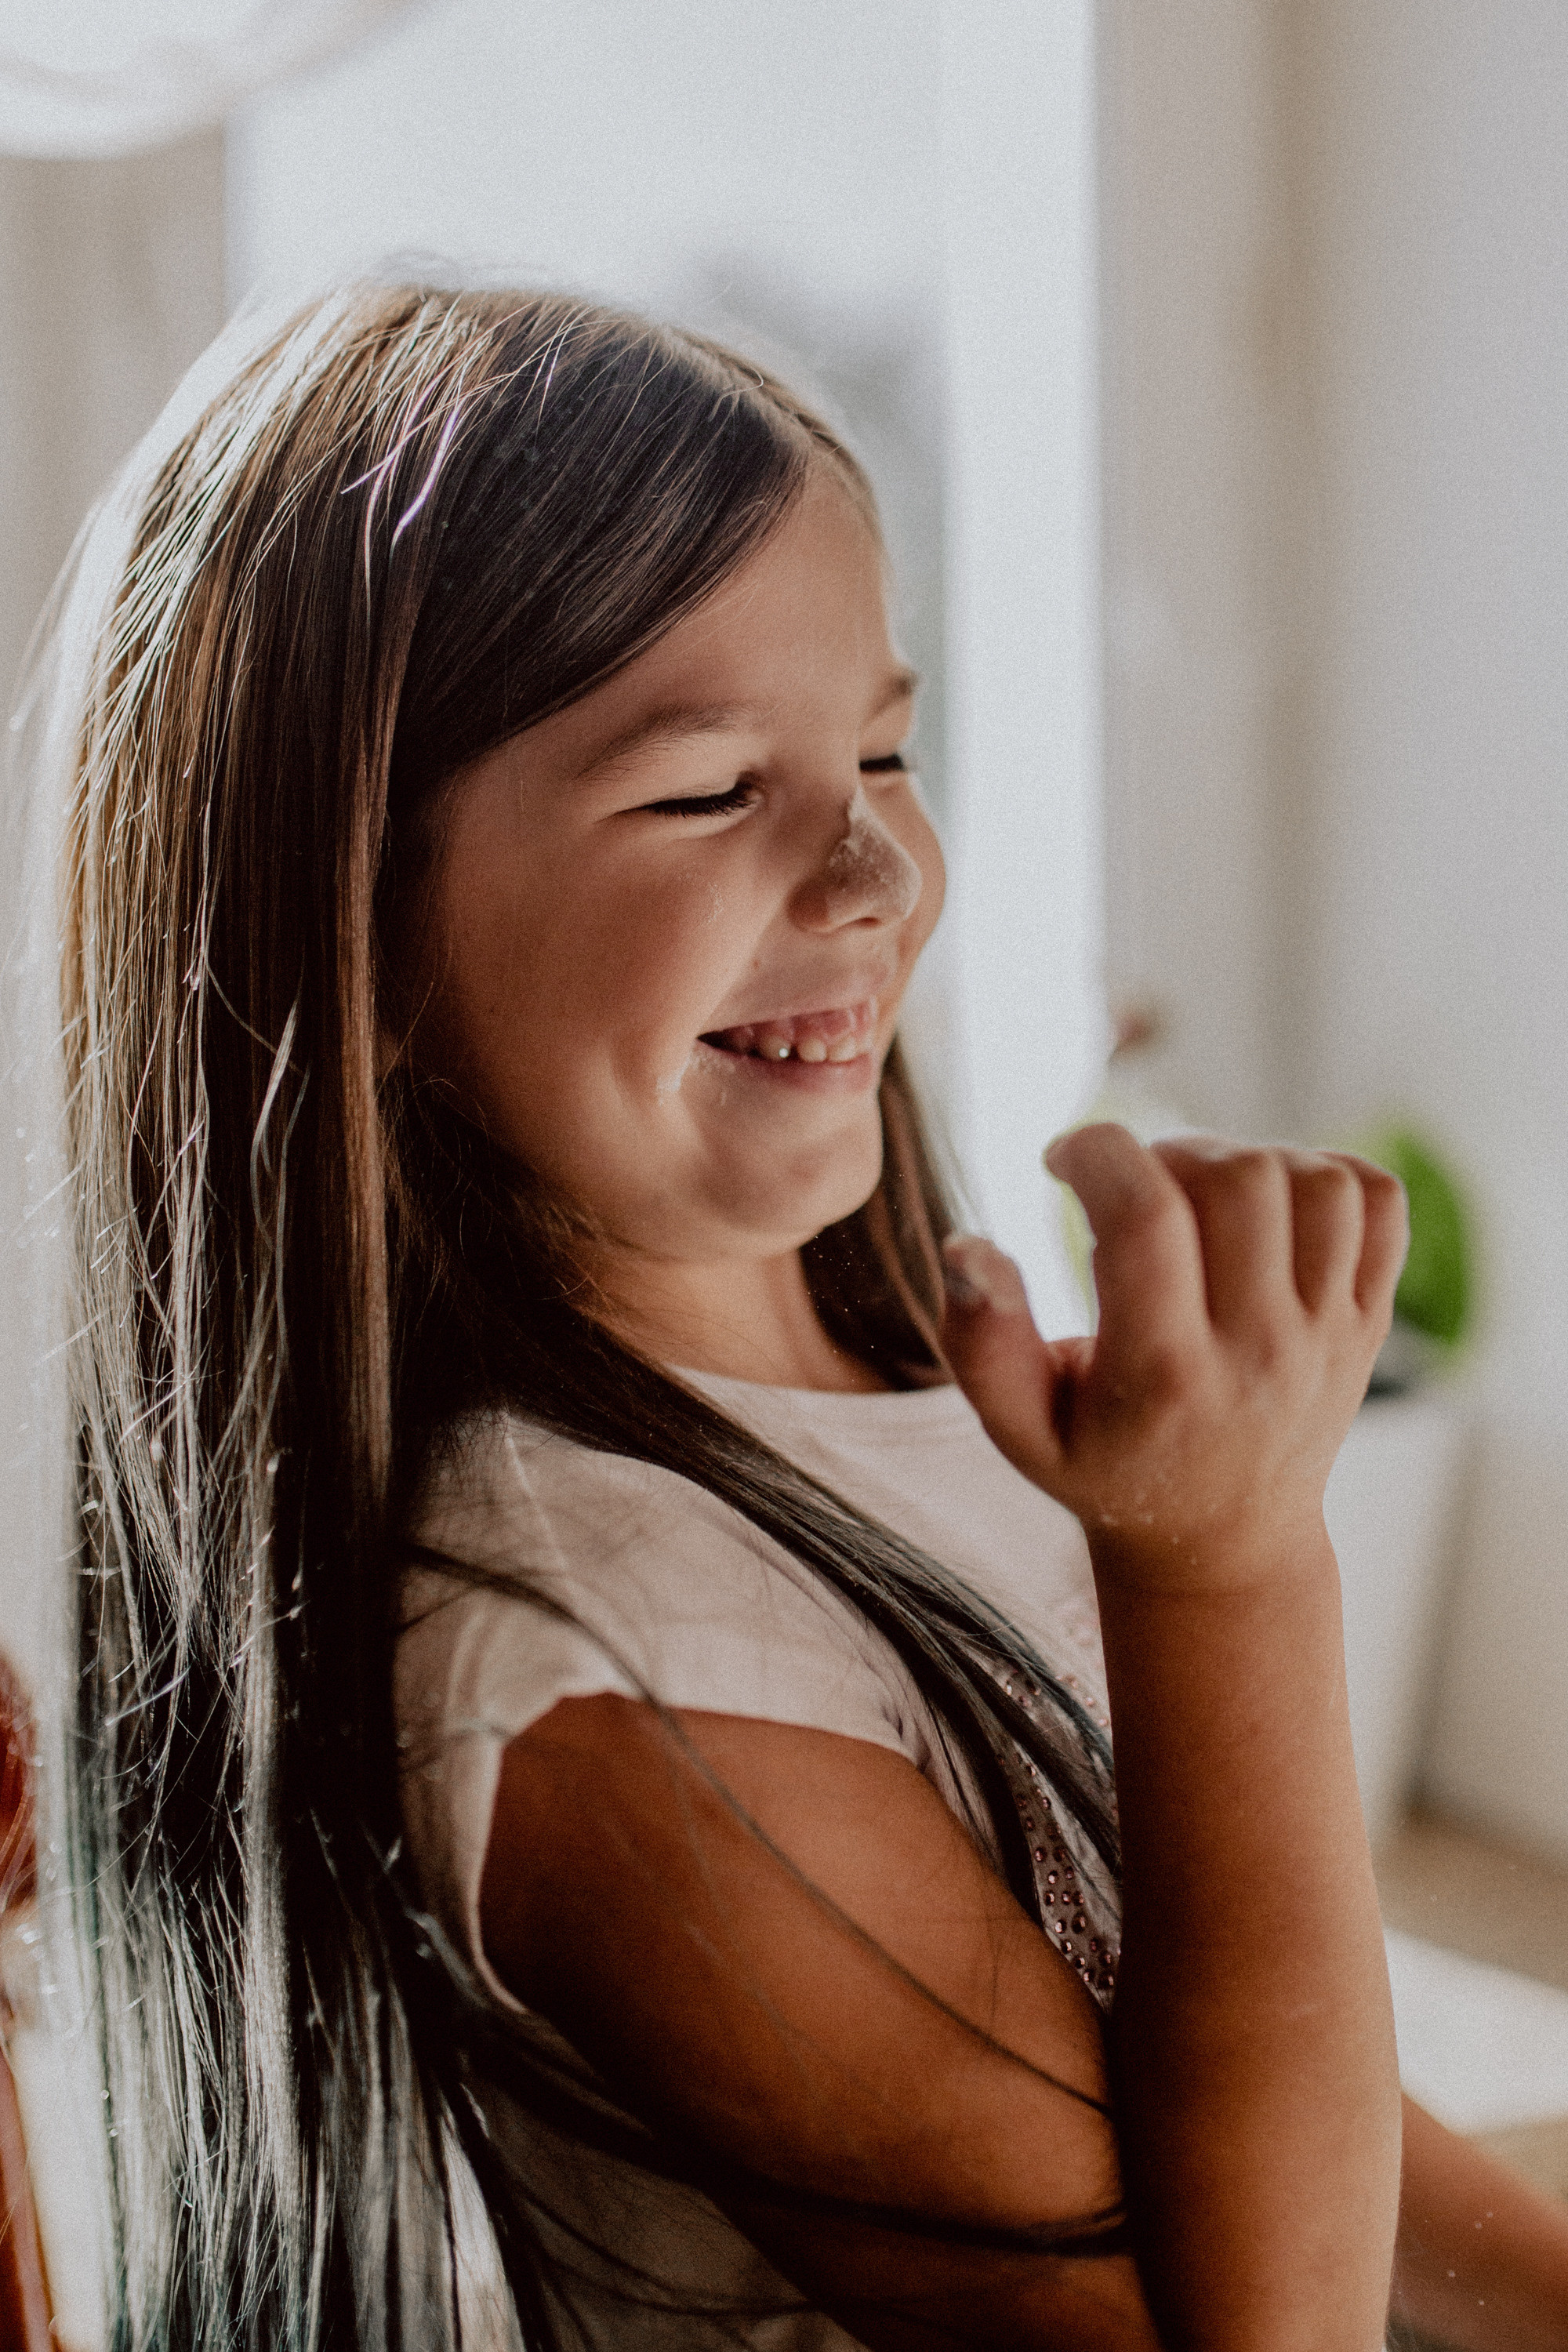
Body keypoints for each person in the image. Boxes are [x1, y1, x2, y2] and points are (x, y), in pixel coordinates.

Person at [25, 280, 1568, 2350]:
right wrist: (1232, 1575)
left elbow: (1271, 2077)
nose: (873, 871)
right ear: (356, 939)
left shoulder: (875, 1401)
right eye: (700, 791)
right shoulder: (600, 1684)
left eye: (882, 746)